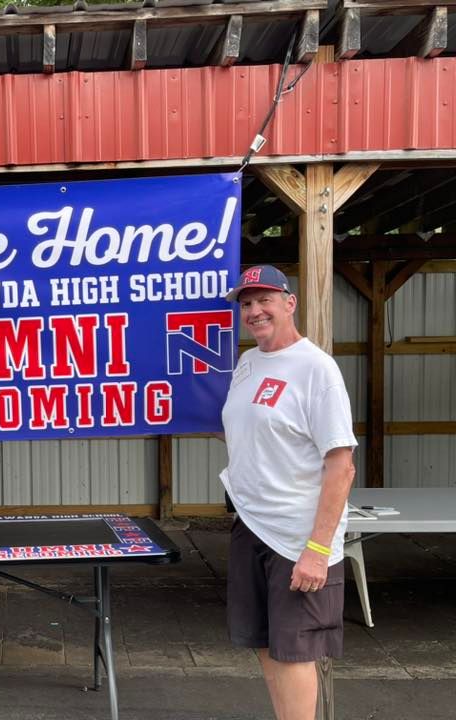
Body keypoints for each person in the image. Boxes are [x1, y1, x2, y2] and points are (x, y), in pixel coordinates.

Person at [219, 265, 357, 720]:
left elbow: (341, 465)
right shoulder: (248, 362)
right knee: (264, 642)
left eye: (264, 300)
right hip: (252, 524)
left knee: (295, 651)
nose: (254, 311)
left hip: (297, 536)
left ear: (289, 302)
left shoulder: (317, 369)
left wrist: (317, 548)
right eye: (246, 303)